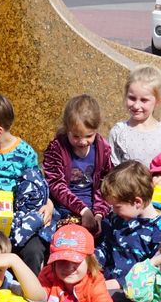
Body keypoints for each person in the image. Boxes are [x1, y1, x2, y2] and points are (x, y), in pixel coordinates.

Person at [0, 92, 54, 271]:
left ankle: (29, 288)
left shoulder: (25, 153)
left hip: (18, 216)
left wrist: (48, 203)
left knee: (34, 249)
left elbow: (36, 185)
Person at [42, 95, 113, 235]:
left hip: (95, 209)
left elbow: (106, 184)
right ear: (67, 129)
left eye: (88, 136)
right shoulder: (57, 148)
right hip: (63, 208)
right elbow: (56, 185)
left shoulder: (102, 148)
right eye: (76, 136)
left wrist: (99, 214)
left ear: (96, 130)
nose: (82, 141)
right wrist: (83, 211)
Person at [108, 65, 161, 167]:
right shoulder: (118, 132)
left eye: (144, 100)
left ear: (158, 101)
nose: (136, 105)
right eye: (132, 98)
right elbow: (113, 170)